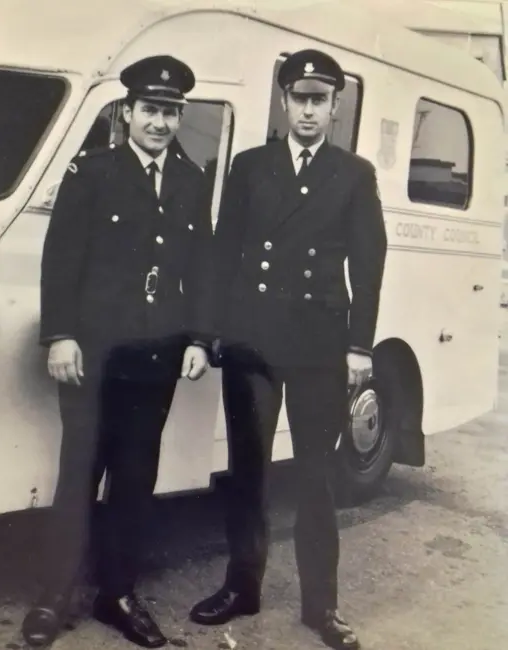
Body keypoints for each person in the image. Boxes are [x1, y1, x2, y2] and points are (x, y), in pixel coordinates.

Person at [189, 49, 387, 650]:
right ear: (283, 103)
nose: (308, 110)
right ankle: (241, 586)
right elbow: (224, 254)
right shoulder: (250, 166)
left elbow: (369, 265)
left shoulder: (354, 174)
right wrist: (214, 330)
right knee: (247, 474)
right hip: (253, 342)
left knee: (315, 477)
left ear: (333, 106)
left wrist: (360, 344)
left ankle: (319, 607)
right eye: (299, 99)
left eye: (319, 100)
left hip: (318, 349)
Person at [22, 54, 214, 649]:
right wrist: (60, 334)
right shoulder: (92, 171)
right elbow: (60, 261)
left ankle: (117, 593)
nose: (159, 122)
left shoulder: (190, 179)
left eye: (170, 112)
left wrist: (200, 339)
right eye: (150, 110)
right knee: (79, 472)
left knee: (135, 478)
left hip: (153, 355)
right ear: (127, 112)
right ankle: (53, 596)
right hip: (93, 352)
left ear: (179, 117)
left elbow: (201, 268)